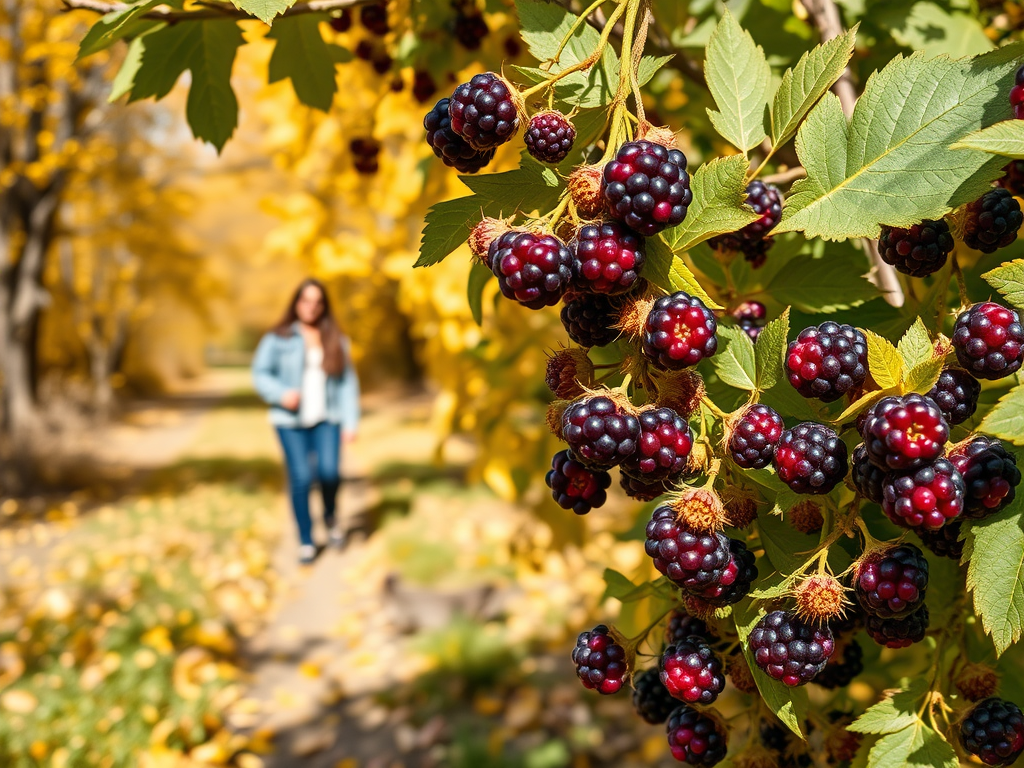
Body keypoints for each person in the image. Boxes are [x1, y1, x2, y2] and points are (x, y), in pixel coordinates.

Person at [252, 279, 360, 564]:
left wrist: (350, 422)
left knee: (329, 474)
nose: (310, 307)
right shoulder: (279, 337)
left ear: (324, 306)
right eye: (305, 301)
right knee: (300, 477)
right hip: (290, 421)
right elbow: (260, 373)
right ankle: (306, 540)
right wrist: (280, 393)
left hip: (328, 418)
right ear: (296, 303)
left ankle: (330, 517)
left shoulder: (336, 339)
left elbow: (347, 383)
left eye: (317, 302)